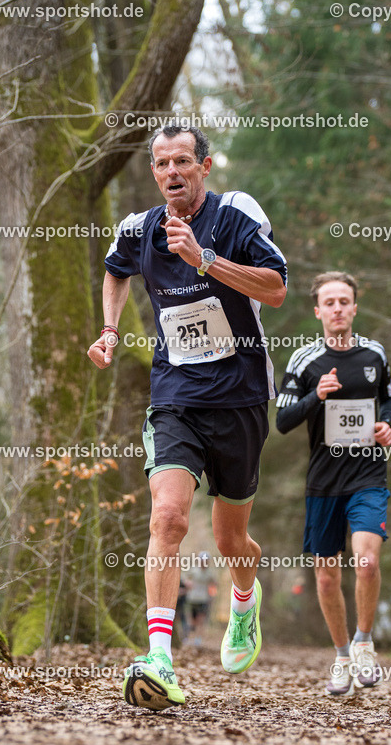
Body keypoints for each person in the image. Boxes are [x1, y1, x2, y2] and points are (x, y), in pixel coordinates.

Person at [87, 124, 287, 710]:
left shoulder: (235, 214)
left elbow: (275, 289)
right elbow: (116, 269)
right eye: (160, 163)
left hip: (242, 398)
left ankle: (245, 601)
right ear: (153, 172)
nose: (171, 171)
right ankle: (159, 658)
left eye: (182, 161)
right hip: (175, 396)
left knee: (231, 541)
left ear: (203, 165)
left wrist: (205, 260)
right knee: (168, 517)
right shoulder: (139, 229)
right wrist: (109, 329)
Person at [275, 271, 391, 695]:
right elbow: (283, 420)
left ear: (355, 307)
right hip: (324, 482)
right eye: (330, 303)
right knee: (326, 578)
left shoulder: (374, 353)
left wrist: (386, 424)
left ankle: (365, 644)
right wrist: (317, 397)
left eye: (344, 301)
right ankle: (342, 656)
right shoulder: (303, 361)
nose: (338, 309)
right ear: (318, 311)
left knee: (366, 562)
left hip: (368, 475)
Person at [184, 551, 216, 646]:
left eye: (206, 560)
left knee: (200, 620)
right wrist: (188, 583)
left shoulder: (210, 573)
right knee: (191, 620)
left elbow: (214, 585)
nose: (204, 562)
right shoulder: (193, 570)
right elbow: (185, 579)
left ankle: (198, 639)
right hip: (192, 598)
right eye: (202, 560)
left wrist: (212, 595)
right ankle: (189, 637)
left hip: (204, 599)